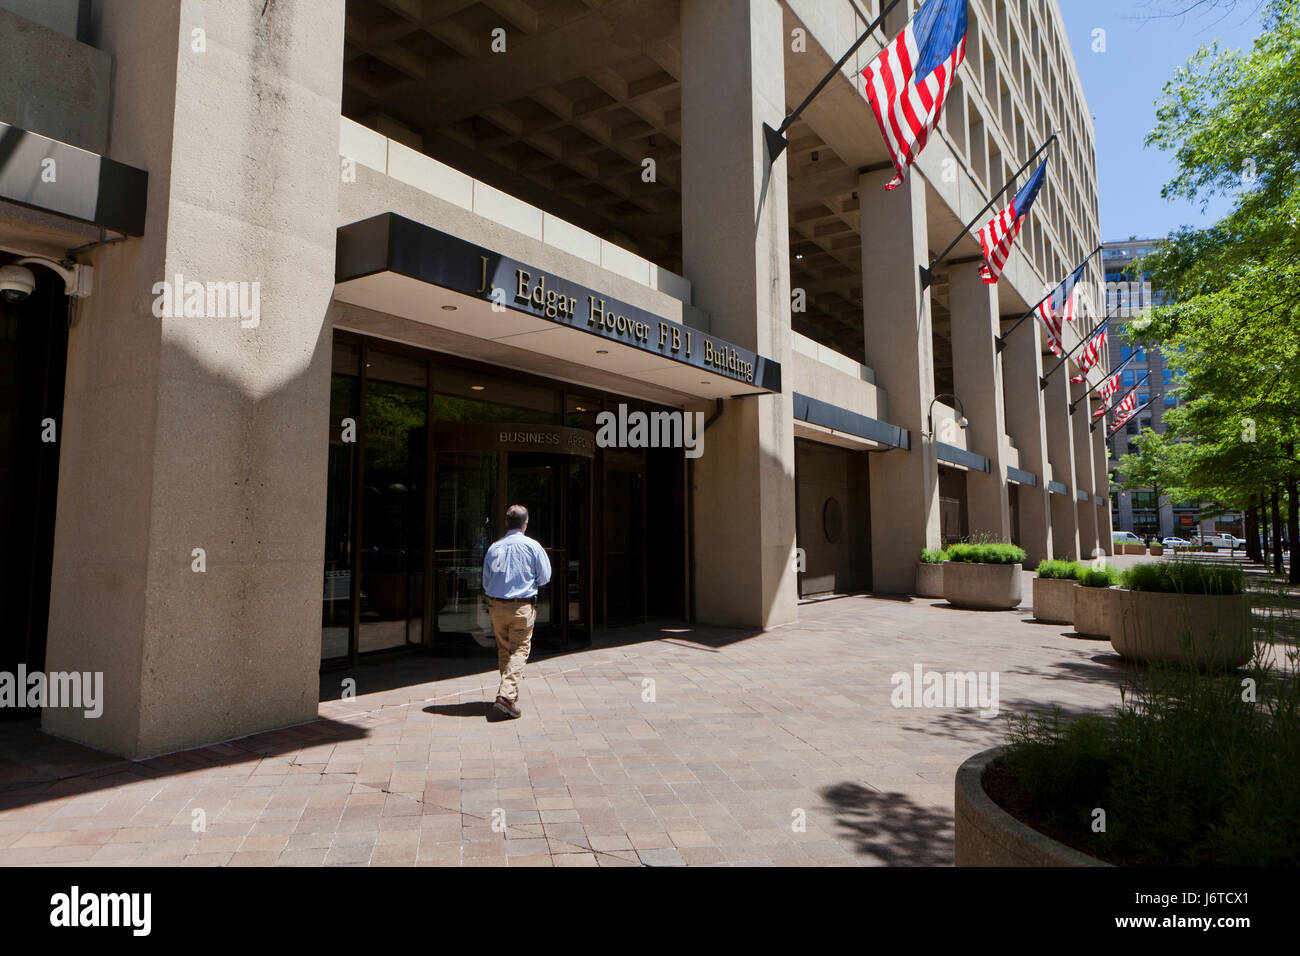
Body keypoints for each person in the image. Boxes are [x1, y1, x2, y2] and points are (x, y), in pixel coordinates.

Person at [481, 504, 551, 719]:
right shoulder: (533, 546)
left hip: (496, 604)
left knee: (504, 649)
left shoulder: (495, 547)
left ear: (506, 523)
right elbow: (545, 577)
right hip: (521, 605)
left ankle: (509, 695)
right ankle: (506, 696)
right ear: (525, 523)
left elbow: (486, 580)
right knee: (520, 650)